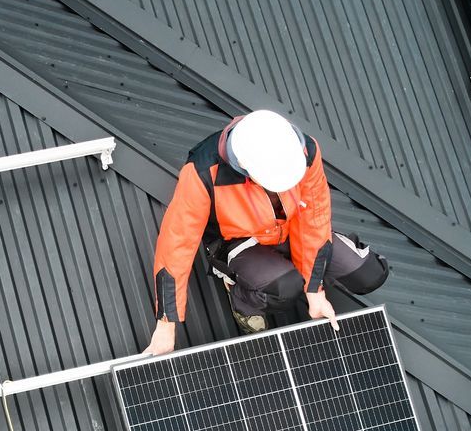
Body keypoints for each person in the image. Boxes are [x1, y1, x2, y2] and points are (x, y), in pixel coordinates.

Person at [144, 110, 388, 355]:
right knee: (286, 287)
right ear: (246, 169)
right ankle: (239, 294)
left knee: (369, 274)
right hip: (240, 241)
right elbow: (177, 244)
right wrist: (167, 323)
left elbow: (314, 217)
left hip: (290, 227)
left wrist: (314, 290)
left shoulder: (303, 151)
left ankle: (298, 267)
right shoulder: (203, 171)